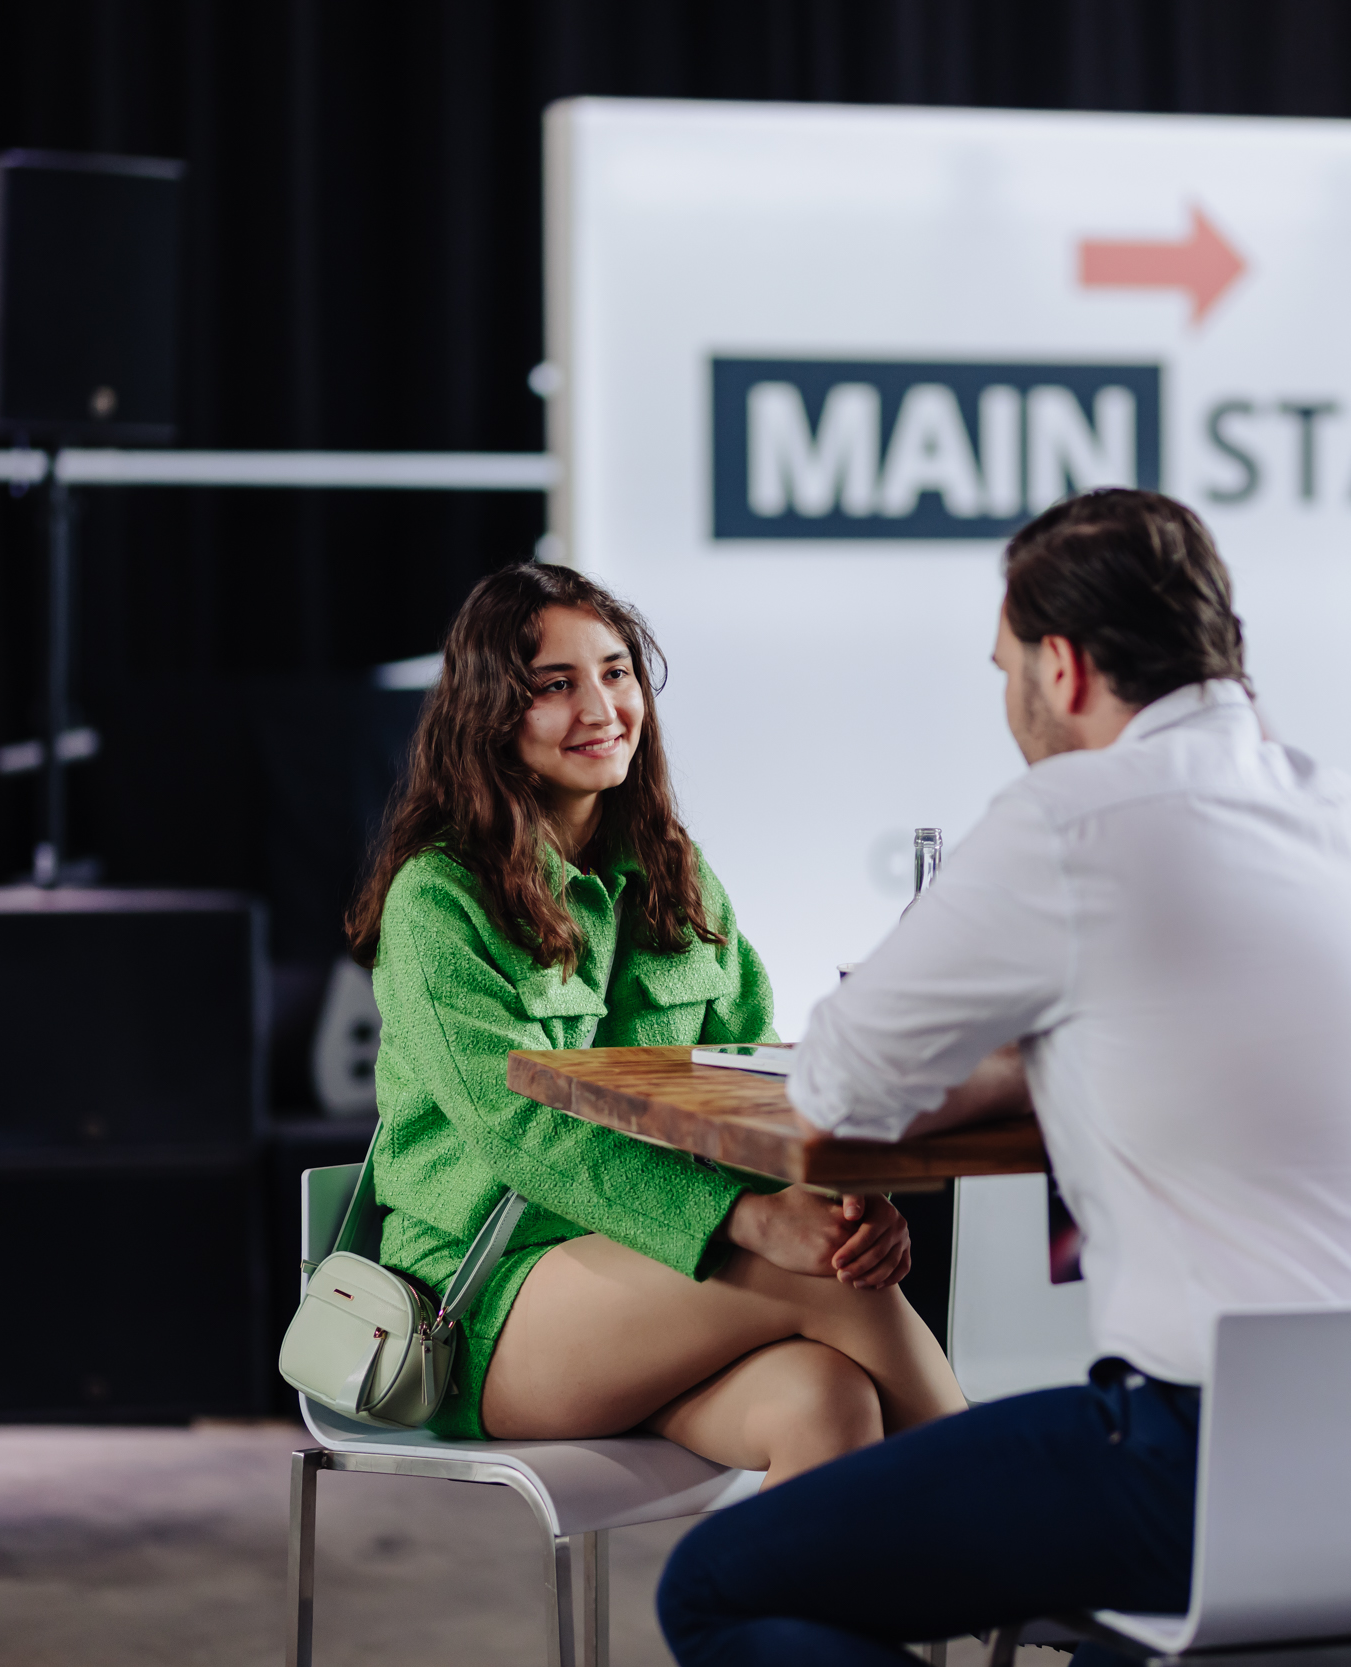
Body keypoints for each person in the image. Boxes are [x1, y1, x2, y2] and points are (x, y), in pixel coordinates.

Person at [656, 490, 1351, 1667]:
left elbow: (834, 1082)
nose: (1007, 704)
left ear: (1062, 667)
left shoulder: (1072, 818)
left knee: (711, 1586)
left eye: (1004, 671)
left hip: (1231, 1457)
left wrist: (1015, 1056)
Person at [347, 563, 965, 1486]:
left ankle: (819, 1594)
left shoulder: (675, 870)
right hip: (482, 1300)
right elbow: (523, 1131)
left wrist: (838, 1208)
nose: (602, 707)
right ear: (489, 713)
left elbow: (753, 1080)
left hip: (659, 1288)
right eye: (556, 684)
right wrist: (750, 1221)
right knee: (826, 1283)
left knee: (827, 1401)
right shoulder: (438, 899)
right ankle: (1031, 1536)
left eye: (616, 672)